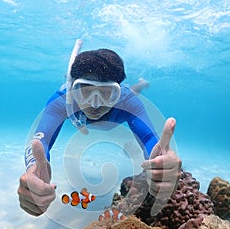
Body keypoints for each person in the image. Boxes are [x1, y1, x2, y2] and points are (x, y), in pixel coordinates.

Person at [18, 40, 182, 217]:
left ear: (117, 92)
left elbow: (150, 139)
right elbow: (40, 141)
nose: (95, 104)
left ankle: (139, 85)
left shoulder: (127, 101)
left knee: (133, 91)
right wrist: (33, 168)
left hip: (127, 95)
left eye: (106, 93)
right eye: (86, 91)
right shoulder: (62, 101)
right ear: (73, 89)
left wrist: (161, 159)